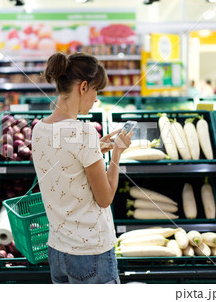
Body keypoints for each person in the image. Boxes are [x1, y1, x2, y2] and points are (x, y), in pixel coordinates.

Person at [31, 52, 132, 284]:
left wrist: (96, 149)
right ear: (83, 87)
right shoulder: (84, 133)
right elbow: (105, 198)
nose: (96, 98)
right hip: (91, 253)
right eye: (96, 90)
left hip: (57, 251)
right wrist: (116, 152)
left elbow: (65, 164)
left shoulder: (39, 129)